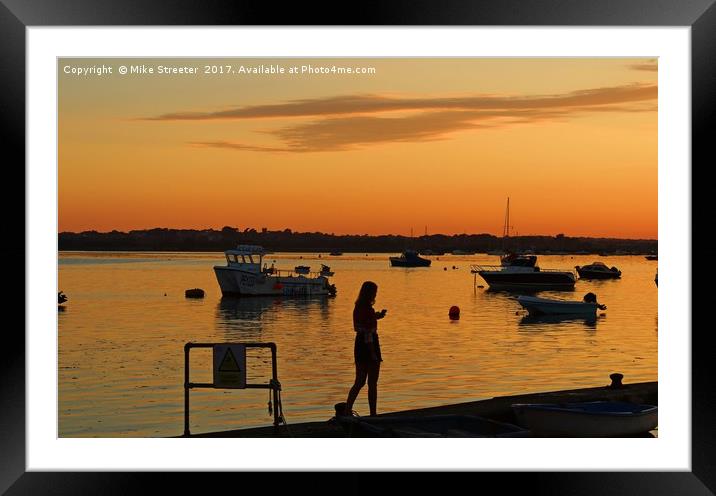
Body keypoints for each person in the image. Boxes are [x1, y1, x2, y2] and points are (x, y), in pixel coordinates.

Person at [343, 281, 387, 417]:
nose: (376, 294)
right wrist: (373, 353)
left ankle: (347, 409)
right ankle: (373, 413)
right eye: (374, 292)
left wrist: (377, 316)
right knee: (372, 383)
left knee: (359, 381)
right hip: (369, 344)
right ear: (370, 293)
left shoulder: (358, 307)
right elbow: (368, 331)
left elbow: (363, 323)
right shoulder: (367, 309)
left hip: (359, 344)